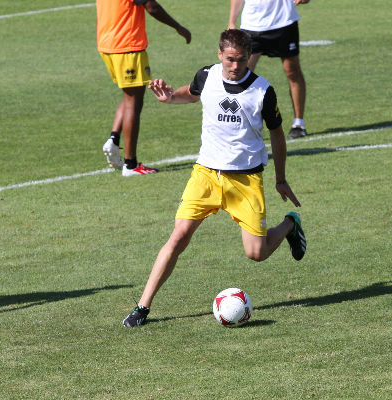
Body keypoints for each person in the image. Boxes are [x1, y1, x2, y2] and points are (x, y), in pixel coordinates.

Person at [123, 29, 307, 327]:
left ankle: (289, 224)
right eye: (230, 60)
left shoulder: (263, 91)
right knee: (178, 237)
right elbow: (191, 93)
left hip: (245, 181)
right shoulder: (207, 76)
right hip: (205, 175)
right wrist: (169, 97)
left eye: (242, 60)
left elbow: (276, 133)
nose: (236, 66)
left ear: (249, 57)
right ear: (220, 55)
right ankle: (143, 307)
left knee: (256, 253)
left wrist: (281, 178)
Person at [96, 0, 191, 176]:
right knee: (134, 101)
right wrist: (178, 27)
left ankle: (114, 139)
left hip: (106, 43)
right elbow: (151, 6)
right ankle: (131, 164)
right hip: (127, 45)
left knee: (129, 95)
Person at [228, 0, 310, 139]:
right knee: (241, 74)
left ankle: (298, 123)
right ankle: (239, 124)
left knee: (292, 71)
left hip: (284, 21)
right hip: (252, 24)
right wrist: (232, 21)